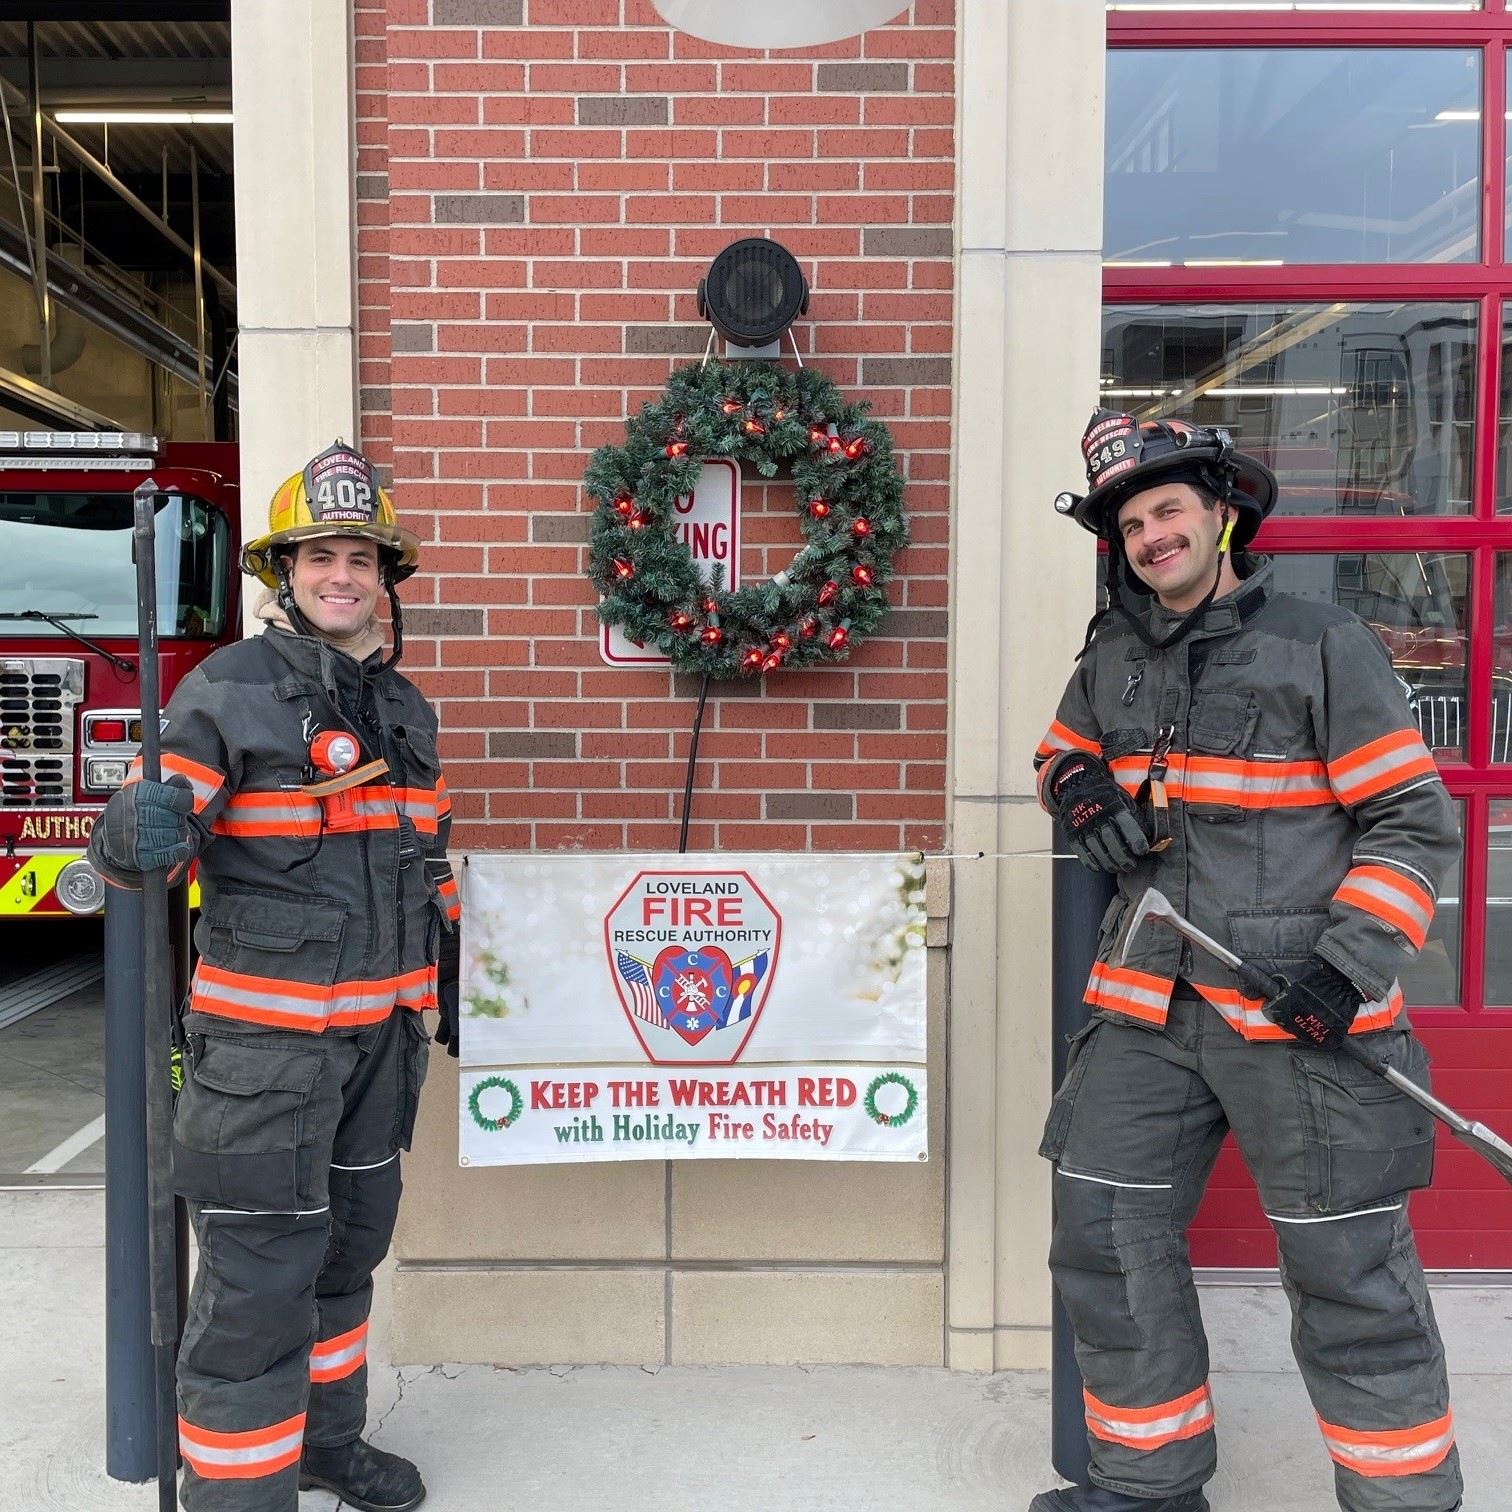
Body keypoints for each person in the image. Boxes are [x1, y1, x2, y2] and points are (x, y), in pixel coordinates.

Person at [1028, 410, 1463, 1512]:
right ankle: (1148, 1485)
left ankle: (1404, 1502)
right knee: (1103, 1235)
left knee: (1349, 1273)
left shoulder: (1324, 644)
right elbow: (1064, 752)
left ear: (1225, 517)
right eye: (1131, 523)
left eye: (1169, 510)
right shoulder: (1114, 657)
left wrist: (1348, 966)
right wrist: (1077, 789)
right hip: (1146, 1006)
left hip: (1300, 1015)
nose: (1150, 536)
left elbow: (1411, 822)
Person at [90, 441, 463, 1512]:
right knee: (256, 1295)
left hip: (378, 1057)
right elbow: (140, 850)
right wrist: (134, 827)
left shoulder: (406, 712)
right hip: (265, 1071)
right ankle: (238, 1498)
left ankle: (324, 1447)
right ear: (282, 574)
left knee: (344, 1269)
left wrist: (449, 983)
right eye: (316, 556)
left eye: (358, 555)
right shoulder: (229, 693)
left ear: (384, 575)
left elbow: (419, 864)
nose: (338, 573)